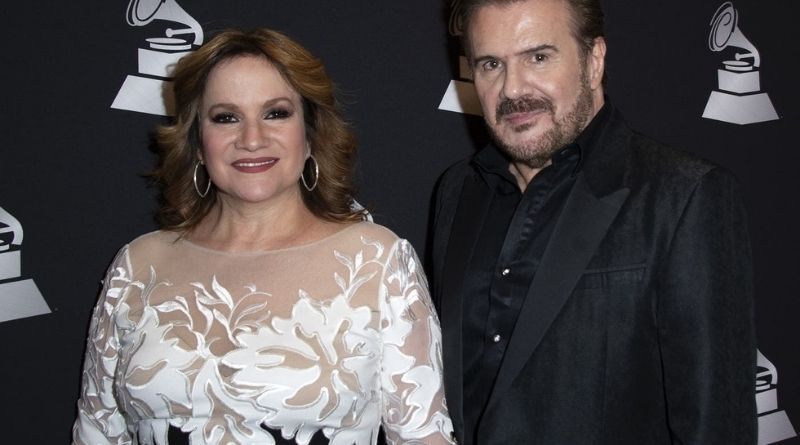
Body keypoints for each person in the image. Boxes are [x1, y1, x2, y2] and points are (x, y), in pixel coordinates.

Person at [73, 28, 454, 445]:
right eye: (226, 117)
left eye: (275, 113)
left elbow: (424, 437)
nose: (252, 139)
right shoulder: (138, 265)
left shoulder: (377, 261)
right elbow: (97, 433)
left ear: (310, 134)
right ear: (197, 142)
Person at [429, 0, 757, 444]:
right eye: (491, 64)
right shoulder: (458, 191)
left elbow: (716, 428)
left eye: (538, 57)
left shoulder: (683, 196)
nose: (512, 89)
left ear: (594, 60)